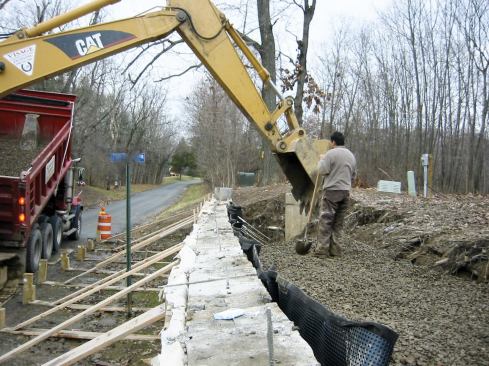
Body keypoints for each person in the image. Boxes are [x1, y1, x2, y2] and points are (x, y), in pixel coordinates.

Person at [313, 131, 356, 258]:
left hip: (332, 191)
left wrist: (321, 160)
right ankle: (336, 250)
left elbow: (321, 170)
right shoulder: (351, 155)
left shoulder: (330, 154)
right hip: (345, 192)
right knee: (338, 222)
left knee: (326, 221)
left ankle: (322, 250)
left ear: (333, 142)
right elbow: (353, 176)